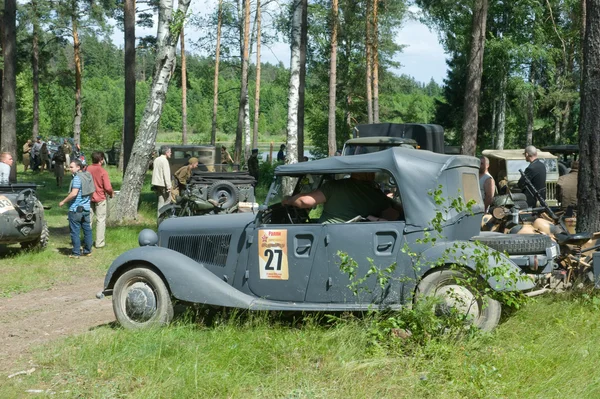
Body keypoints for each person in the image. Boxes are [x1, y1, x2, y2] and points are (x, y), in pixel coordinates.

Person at [282, 172, 399, 223]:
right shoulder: (376, 193)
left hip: (326, 235)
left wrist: (289, 200)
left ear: (354, 172)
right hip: (361, 236)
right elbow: (392, 215)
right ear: (368, 174)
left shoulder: (334, 186)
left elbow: (305, 201)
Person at [59, 159, 92, 258]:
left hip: (76, 209)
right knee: (87, 230)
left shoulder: (77, 178)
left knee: (75, 231)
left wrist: (63, 201)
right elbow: (92, 191)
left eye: (71, 167)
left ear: (78, 167)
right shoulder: (88, 176)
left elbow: (74, 193)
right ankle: (87, 250)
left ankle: (76, 253)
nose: (70, 169)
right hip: (86, 208)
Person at [87, 151, 114, 248]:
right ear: (101, 160)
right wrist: (111, 194)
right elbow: (107, 187)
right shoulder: (103, 171)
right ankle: (99, 243)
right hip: (100, 198)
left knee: (88, 220)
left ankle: (87, 242)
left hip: (88, 197)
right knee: (101, 220)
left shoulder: (87, 169)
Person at [152, 145, 172, 216]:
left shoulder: (156, 159)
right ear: (166, 152)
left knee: (160, 202)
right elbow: (166, 175)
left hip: (157, 184)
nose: (170, 153)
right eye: (170, 152)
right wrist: (169, 186)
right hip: (163, 184)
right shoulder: (164, 161)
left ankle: (159, 218)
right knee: (168, 201)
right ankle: (165, 218)